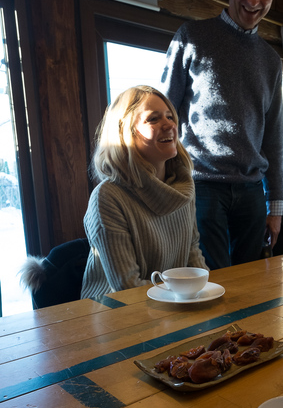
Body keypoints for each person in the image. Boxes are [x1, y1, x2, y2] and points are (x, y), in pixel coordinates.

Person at [160, 0, 283, 270]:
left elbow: (273, 138)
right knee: (211, 283)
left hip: (251, 194)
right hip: (201, 188)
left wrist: (276, 207)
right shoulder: (191, 37)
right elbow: (162, 116)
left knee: (251, 286)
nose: (254, 0)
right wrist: (160, 184)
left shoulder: (272, 62)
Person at [80, 86, 206, 299]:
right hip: (113, 315)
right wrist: (186, 294)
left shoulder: (185, 187)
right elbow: (128, 288)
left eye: (169, 116)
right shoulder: (107, 197)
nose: (169, 125)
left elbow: (192, 254)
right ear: (124, 132)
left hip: (176, 304)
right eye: (153, 119)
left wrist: (203, 293)